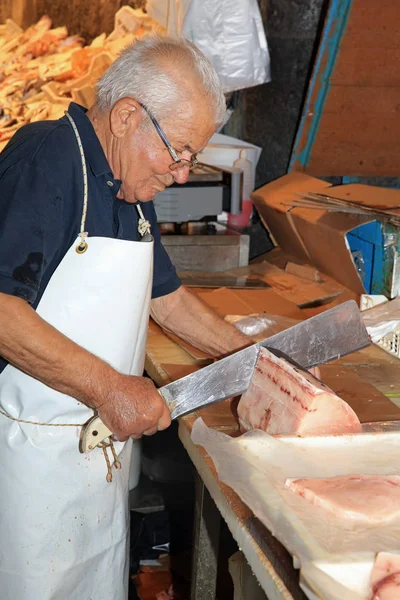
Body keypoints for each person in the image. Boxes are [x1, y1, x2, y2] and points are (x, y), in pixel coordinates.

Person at [0, 36, 251, 599]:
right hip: (25, 470)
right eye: (179, 152)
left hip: (94, 468)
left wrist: (252, 361)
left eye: (194, 158)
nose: (184, 175)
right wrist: (110, 388)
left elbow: (168, 298)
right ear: (127, 116)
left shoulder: (128, 185)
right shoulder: (50, 158)